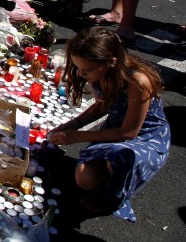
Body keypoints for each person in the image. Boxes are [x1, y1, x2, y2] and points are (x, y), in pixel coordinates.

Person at [47, 27, 169, 221]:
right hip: (117, 129)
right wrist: (73, 124)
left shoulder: (138, 81)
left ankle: (114, 193)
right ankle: (111, 174)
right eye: (78, 67)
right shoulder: (100, 73)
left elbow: (129, 132)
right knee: (85, 179)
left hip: (144, 137)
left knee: (121, 157)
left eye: (86, 70)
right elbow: (102, 106)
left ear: (110, 63)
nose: (80, 73)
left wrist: (76, 137)